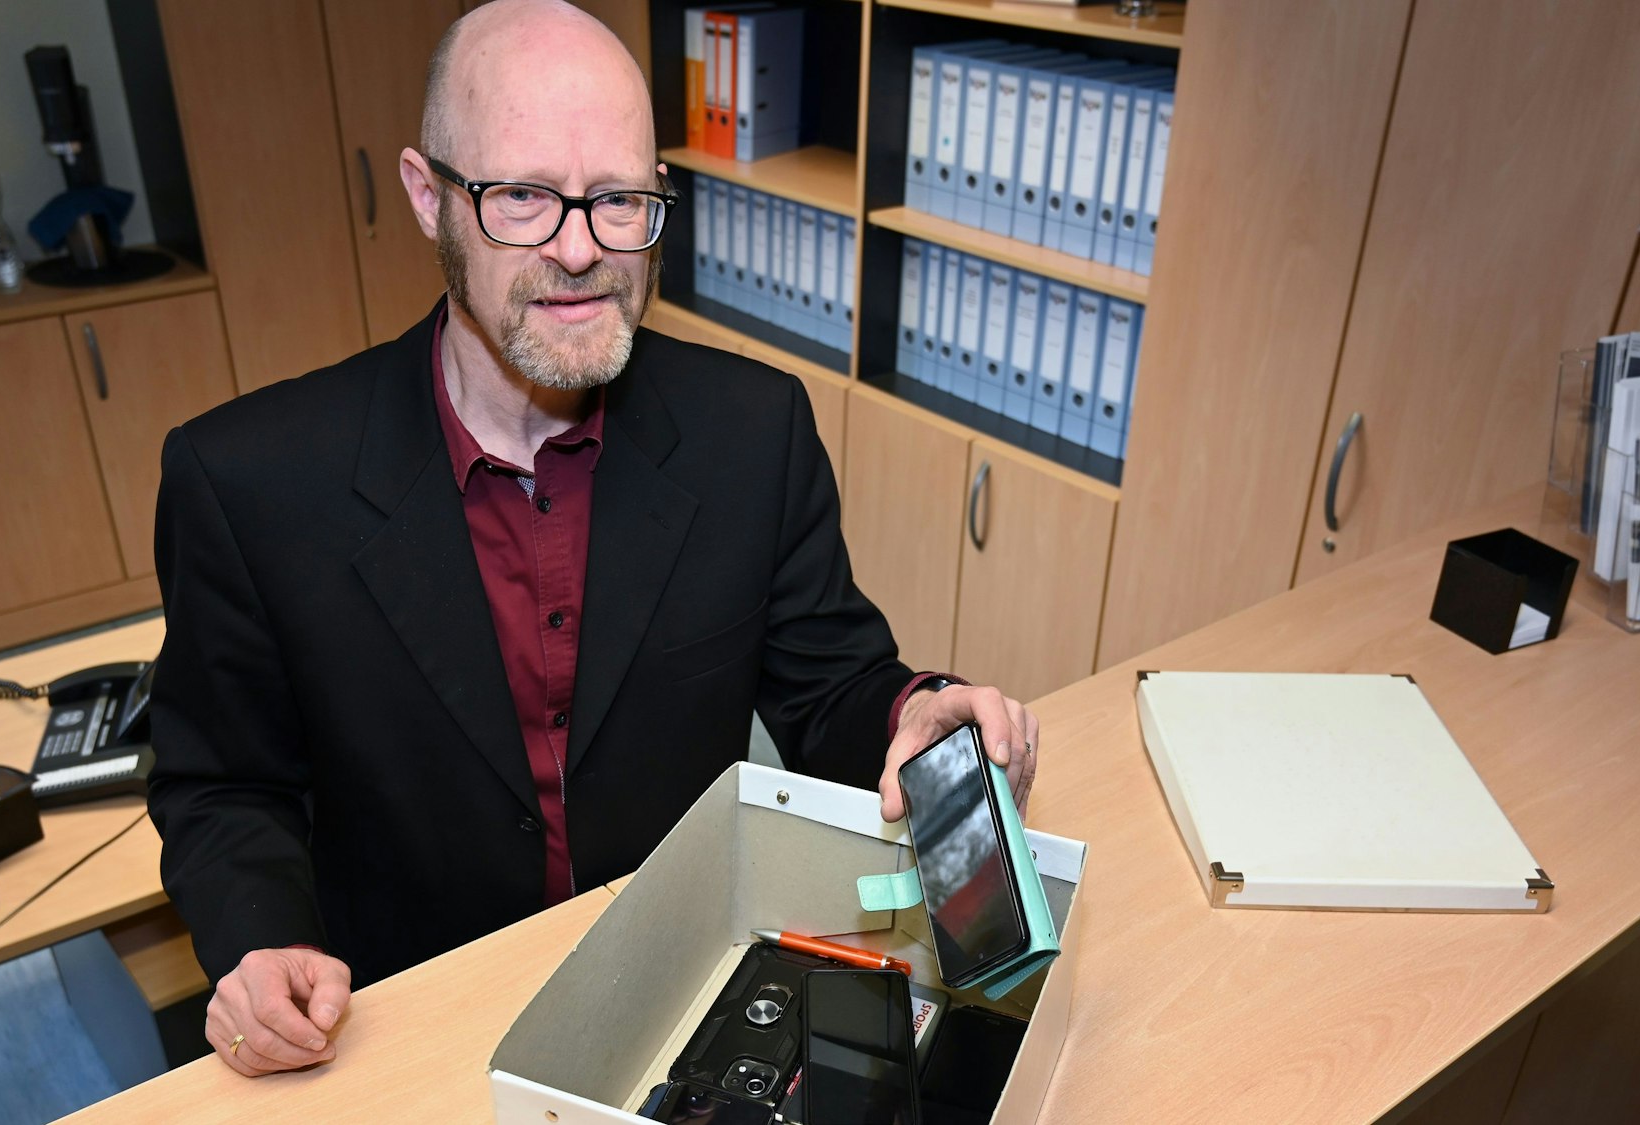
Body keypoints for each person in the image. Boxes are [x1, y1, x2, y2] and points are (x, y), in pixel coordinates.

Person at [146, 0, 1041, 1078]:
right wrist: (261, 941)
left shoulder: (752, 431)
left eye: (618, 199)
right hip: (406, 1034)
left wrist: (911, 713)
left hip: (676, 1002)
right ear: (429, 199)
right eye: (522, 196)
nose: (579, 251)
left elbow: (828, 688)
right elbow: (222, 784)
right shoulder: (247, 482)